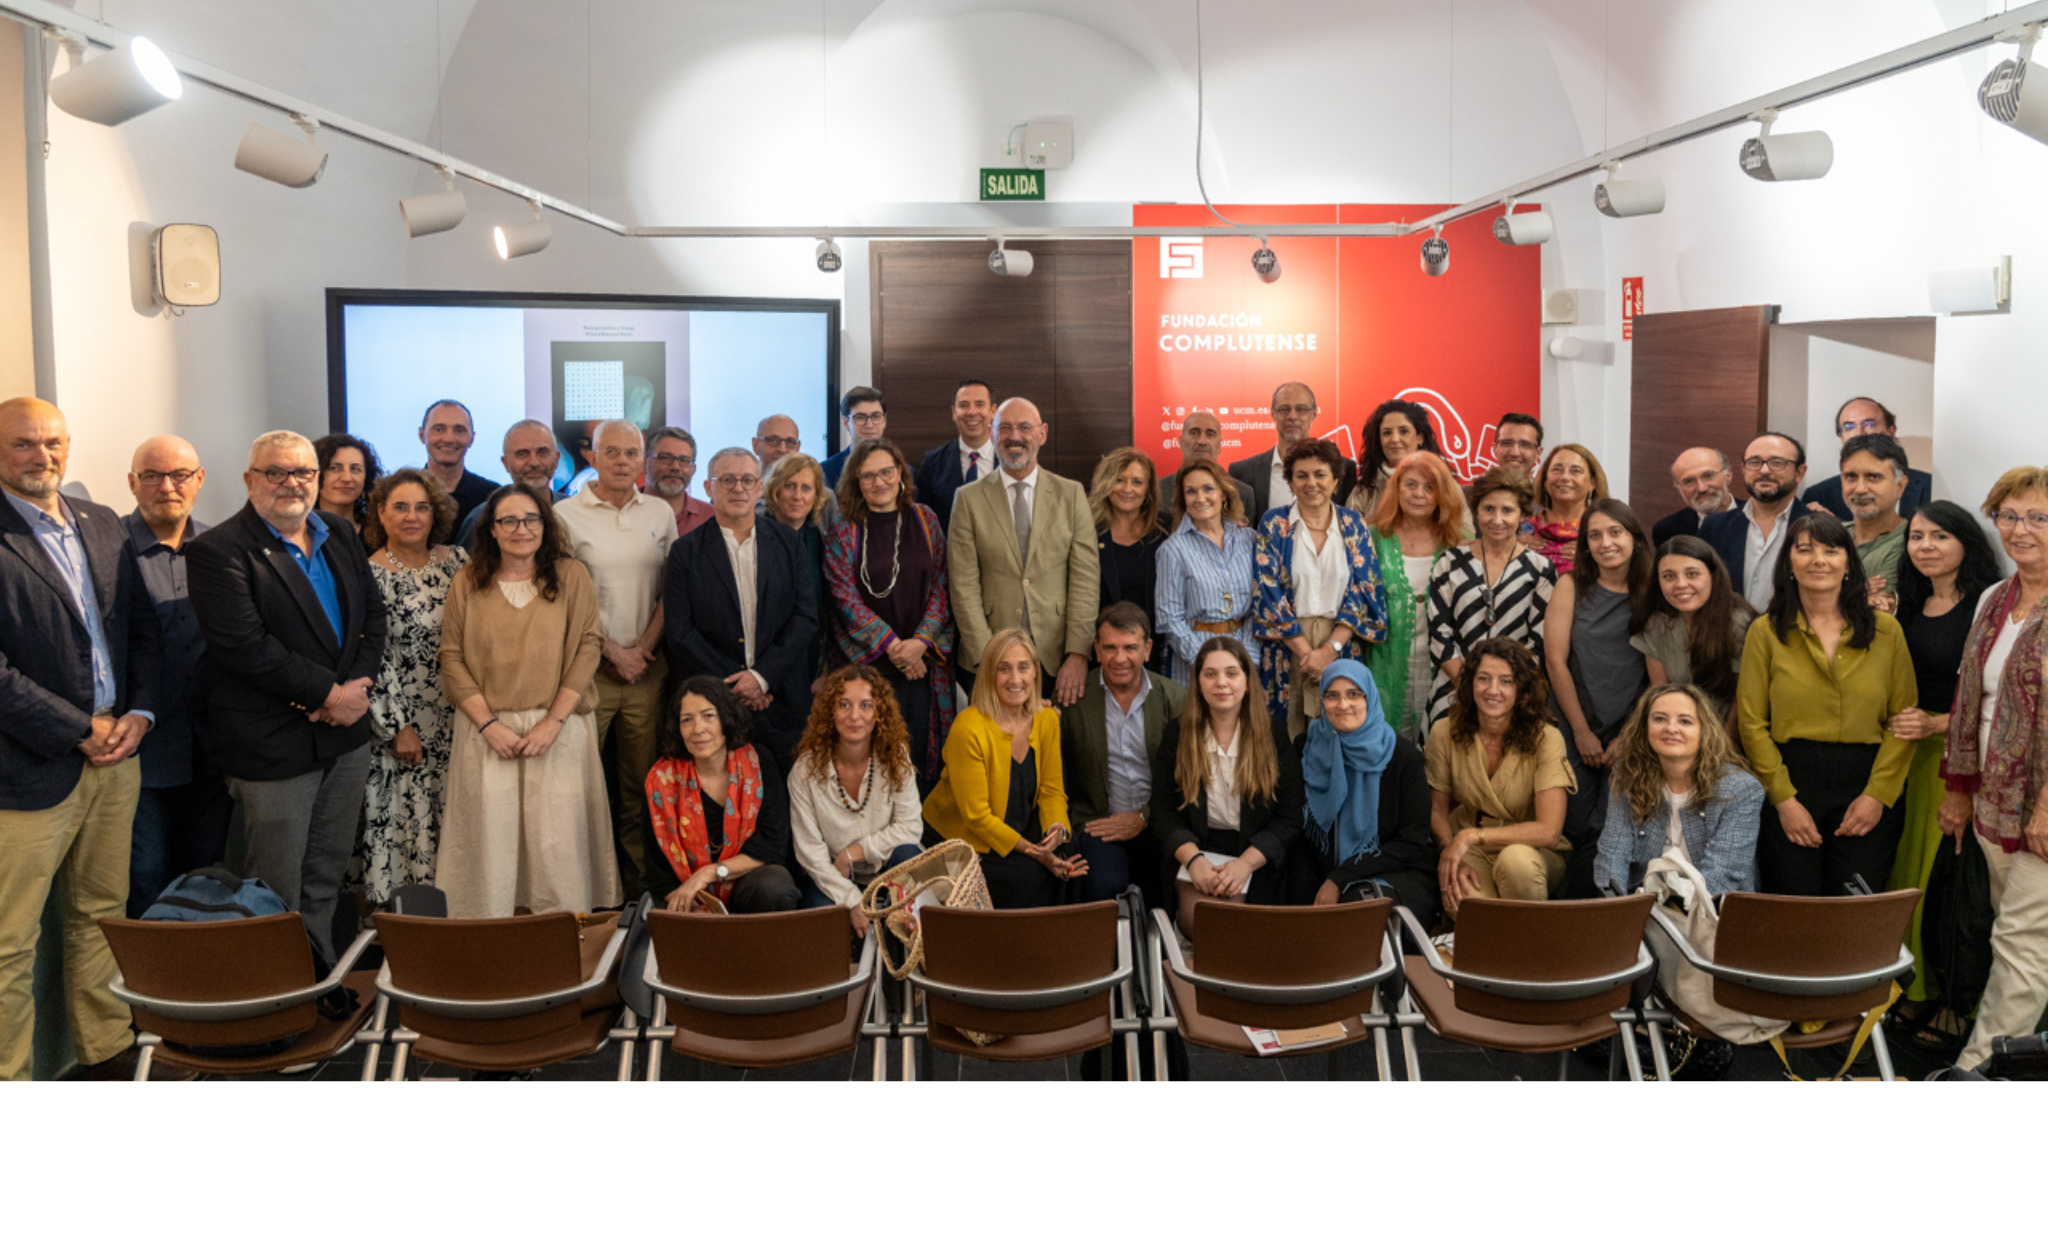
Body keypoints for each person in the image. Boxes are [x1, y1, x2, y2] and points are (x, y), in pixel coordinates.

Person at [0, 398, 161, 1081]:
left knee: (100, 915)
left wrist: (140, 714)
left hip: (116, 758)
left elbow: (142, 631)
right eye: (24, 445)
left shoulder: (99, 523)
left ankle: (104, 1052)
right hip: (27, 767)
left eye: (54, 442)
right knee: (9, 943)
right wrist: (77, 729)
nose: (43, 457)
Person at [188, 430, 385, 966]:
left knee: (324, 878)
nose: (290, 483)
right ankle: (276, 1002)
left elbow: (373, 618)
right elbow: (245, 647)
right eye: (276, 472)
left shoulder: (340, 532)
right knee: (274, 890)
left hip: (345, 739)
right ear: (250, 479)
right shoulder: (217, 551)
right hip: (272, 745)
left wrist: (354, 690)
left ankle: (317, 984)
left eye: (302, 472)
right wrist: (326, 695)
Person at [436, 485, 616, 918]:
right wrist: (487, 725)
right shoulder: (467, 581)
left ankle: (563, 949)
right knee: (491, 847)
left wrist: (552, 723)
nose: (522, 529)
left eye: (532, 519)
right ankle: (492, 954)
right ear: (491, 530)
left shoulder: (571, 575)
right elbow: (451, 656)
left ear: (545, 525)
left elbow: (588, 648)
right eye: (509, 521)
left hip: (558, 731)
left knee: (557, 851)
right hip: (487, 732)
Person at [1737, 513, 1916, 897]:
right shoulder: (1765, 632)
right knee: (1793, 903)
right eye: (1805, 550)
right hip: (1789, 778)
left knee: (1856, 909)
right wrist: (1784, 800)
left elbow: (1904, 721)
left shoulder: (1886, 631)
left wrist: (1876, 796)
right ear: (1788, 564)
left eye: (1831, 550)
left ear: (1849, 563)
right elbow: (1752, 723)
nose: (1819, 560)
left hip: (1867, 780)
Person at [1938, 468, 2048, 1071]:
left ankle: (1977, 1072)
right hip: (1992, 803)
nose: (2019, 529)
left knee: (2020, 944)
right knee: (2018, 936)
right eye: (2008, 515)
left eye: (2038, 517)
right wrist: (1959, 789)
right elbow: (1969, 701)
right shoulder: (1994, 598)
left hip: (2041, 807)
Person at [554, 420, 679, 900]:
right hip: (588, 675)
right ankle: (582, 896)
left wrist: (641, 650)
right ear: (592, 456)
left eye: (633, 453)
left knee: (638, 792)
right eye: (613, 452)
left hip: (646, 672)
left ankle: (636, 895)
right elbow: (565, 598)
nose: (624, 461)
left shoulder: (660, 513)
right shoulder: (565, 514)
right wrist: (612, 652)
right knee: (581, 790)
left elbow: (670, 591)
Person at [1884, 501, 2001, 1007]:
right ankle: (1899, 988)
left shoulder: (1987, 605)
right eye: (1916, 537)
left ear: (1966, 544)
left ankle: (1942, 995)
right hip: (1901, 756)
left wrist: (1938, 723)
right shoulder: (1905, 604)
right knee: (1897, 873)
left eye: (1939, 537)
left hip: (1952, 760)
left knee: (1938, 881)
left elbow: (1998, 700)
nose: (1925, 547)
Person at [122, 435, 231, 916]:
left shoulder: (221, 550)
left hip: (212, 748)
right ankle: (148, 989)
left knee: (203, 874)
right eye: (152, 475)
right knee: (143, 875)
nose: (167, 486)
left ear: (199, 480)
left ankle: (196, 985)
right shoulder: (109, 551)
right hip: (141, 750)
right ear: (133, 483)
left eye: (180, 475)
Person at [350, 469, 466, 908]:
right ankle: (407, 933)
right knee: (407, 829)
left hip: (460, 716)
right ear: (380, 512)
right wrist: (397, 726)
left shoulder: (458, 561)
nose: (412, 516)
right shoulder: (368, 575)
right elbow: (370, 657)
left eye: (422, 506)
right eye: (400, 506)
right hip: (403, 728)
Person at [663, 448, 819, 769]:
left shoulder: (789, 543)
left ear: (760, 488)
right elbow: (681, 632)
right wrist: (738, 685)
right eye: (728, 480)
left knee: (787, 795)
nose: (738, 488)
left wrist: (761, 678)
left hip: (781, 696)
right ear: (708, 488)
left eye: (747, 479)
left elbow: (805, 618)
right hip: (712, 703)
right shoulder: (684, 552)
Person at [946, 396, 1098, 705]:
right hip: (988, 656)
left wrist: (1078, 653)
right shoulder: (967, 498)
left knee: (1053, 748)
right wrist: (988, 658)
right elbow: (963, 585)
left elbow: (1085, 580)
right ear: (992, 434)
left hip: (1056, 659)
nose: (1015, 437)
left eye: (1025, 427)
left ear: (1042, 433)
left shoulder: (1071, 495)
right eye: (1005, 428)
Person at [824, 438, 955, 784]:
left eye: (886, 472)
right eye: (867, 476)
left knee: (919, 753)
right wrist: (896, 647)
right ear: (855, 481)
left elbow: (942, 583)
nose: (879, 482)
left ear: (900, 473)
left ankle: (918, 833)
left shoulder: (926, 520)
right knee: (871, 758)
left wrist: (921, 643)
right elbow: (843, 595)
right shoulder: (843, 529)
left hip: (922, 665)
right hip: (868, 668)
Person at [923, 629, 1083, 909]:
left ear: (1035, 672)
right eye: (1004, 669)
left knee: (1070, 855)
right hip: (965, 837)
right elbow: (977, 817)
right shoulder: (969, 727)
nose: (1015, 679)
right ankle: (1015, 950)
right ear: (988, 675)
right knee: (1028, 875)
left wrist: (1057, 830)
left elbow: (1051, 791)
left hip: (1016, 820)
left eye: (1024, 667)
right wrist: (1038, 853)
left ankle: (1059, 946)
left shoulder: (1046, 720)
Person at [1543, 498, 1652, 890]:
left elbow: (1658, 679)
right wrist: (1581, 731)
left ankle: (1590, 915)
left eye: (1615, 532)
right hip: (1574, 723)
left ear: (1635, 539)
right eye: (1595, 535)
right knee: (1573, 823)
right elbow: (1555, 662)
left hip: (1633, 728)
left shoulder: (1653, 592)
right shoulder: (1570, 585)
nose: (1605, 543)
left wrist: (1629, 736)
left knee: (1613, 825)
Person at [1153, 636, 1306, 910]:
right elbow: (1163, 811)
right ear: (1198, 683)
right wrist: (1194, 860)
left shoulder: (1273, 733)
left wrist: (1246, 863)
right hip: (1198, 847)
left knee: (1240, 927)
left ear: (1247, 682)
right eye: (1210, 674)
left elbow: (1290, 815)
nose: (1221, 683)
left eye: (1231, 673)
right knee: (1200, 919)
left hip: (1256, 850)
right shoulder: (1177, 734)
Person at [1427, 638, 1574, 912]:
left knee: (1515, 861)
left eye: (1506, 681)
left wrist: (1471, 836)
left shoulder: (1547, 738)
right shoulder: (1443, 731)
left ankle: (1531, 949)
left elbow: (1549, 831)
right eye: (1483, 678)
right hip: (1468, 851)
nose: (1493, 690)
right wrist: (1451, 851)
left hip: (1531, 851)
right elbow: (1437, 811)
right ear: (1470, 683)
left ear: (1523, 690)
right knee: (1473, 912)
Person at [1253, 439, 1386, 738]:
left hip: (1340, 642)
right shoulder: (1274, 524)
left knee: (1339, 729)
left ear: (1336, 480)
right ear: (1290, 481)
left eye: (1320, 474)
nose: (1311, 482)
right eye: (1301, 475)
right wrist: (1308, 654)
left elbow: (1364, 589)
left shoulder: (1354, 524)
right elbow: (1268, 592)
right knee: (1283, 736)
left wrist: (1329, 650)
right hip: (1287, 645)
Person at [1060, 603, 1186, 906]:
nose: (1119, 659)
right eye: (1110, 648)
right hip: (1098, 822)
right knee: (1104, 887)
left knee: (1164, 894)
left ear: (1148, 649)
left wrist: (1144, 815)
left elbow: (1189, 777)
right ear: (1096, 649)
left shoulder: (1175, 699)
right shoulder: (1073, 698)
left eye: (1130, 647)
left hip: (1159, 820)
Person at [644, 676, 802, 913]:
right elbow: (658, 873)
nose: (698, 729)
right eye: (687, 720)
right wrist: (695, 908)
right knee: (655, 911)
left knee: (774, 886)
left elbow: (772, 846)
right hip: (688, 891)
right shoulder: (660, 782)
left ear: (726, 719)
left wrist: (708, 873)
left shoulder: (758, 763)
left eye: (709, 716)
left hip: (744, 880)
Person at [1300, 661, 1439, 929]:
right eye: (1332, 695)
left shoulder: (1403, 757)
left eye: (1354, 694)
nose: (1343, 704)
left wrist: (1340, 878)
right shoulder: (1308, 748)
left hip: (1396, 870)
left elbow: (1412, 841)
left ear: (1370, 697)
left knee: (1361, 913)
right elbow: (1301, 830)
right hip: (1322, 868)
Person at [1594, 684, 1765, 897]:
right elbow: (1612, 855)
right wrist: (1616, 907)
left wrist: (1673, 907)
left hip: (1712, 911)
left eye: (1685, 721)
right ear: (1644, 727)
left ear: (1704, 729)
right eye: (1659, 719)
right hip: (1643, 905)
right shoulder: (1628, 777)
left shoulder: (1741, 789)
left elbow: (1724, 872)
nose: (1671, 728)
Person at [788, 665, 925, 916]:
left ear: (879, 713)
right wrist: (851, 900)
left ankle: (903, 952)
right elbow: (810, 853)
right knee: (822, 916)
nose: (854, 716)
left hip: (888, 867)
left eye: (865, 705)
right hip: (833, 875)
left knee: (909, 854)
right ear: (831, 711)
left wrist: (855, 852)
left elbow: (911, 828)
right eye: (844, 704)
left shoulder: (896, 757)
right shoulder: (805, 769)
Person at [1428, 465, 1554, 732]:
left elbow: (1538, 641)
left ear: (1522, 515)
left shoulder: (1540, 569)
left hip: (1513, 696)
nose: (1497, 519)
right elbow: (1439, 633)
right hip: (1452, 691)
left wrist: (1500, 690)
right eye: (1489, 509)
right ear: (1476, 512)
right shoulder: (1450, 561)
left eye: (1507, 510)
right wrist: (1470, 688)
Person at [1365, 451, 1464, 743]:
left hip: (1443, 667)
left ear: (1441, 494)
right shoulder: (1372, 537)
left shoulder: (1460, 541)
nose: (1419, 494)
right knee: (1387, 748)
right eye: (1410, 485)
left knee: (1438, 747)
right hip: (1383, 664)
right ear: (1396, 490)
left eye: (1429, 487)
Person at [1632, 535, 1756, 723]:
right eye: (1669, 576)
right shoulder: (1656, 624)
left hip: (1728, 732)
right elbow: (1659, 693)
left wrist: (1722, 749)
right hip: (1676, 729)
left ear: (1712, 576)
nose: (1681, 584)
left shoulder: (1740, 623)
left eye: (1692, 574)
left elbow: (1743, 702)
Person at [1159, 457, 1259, 685]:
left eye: (1208, 489)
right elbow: (1169, 620)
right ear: (1183, 499)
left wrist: (1247, 660)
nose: (1200, 498)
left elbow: (1259, 606)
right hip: (1194, 660)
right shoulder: (1172, 550)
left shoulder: (1249, 539)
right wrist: (1207, 664)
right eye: (1191, 491)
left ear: (1224, 493)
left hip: (1245, 656)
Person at [1699, 431, 1813, 612]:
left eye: (1777, 462)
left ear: (1799, 473)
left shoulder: (1819, 528)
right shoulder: (1715, 527)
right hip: (1729, 637)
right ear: (1744, 470)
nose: (1764, 470)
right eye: (1754, 462)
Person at [1229, 380, 1358, 524]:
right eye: (1284, 409)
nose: (1292, 416)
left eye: (1301, 409)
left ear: (1314, 414)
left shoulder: (1344, 469)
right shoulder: (1242, 472)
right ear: (1273, 414)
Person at [1090, 448, 1169, 675]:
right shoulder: (1087, 529)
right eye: (1120, 480)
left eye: (1137, 482)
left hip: (1154, 653)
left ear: (1148, 489)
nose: (1127, 489)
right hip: (1102, 654)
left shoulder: (1166, 529)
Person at [1803, 397, 1934, 520]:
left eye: (1869, 424)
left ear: (1891, 431)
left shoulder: (1931, 486)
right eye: (1849, 427)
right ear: (1841, 437)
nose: (1859, 433)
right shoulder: (1820, 496)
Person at [455, 419, 564, 547]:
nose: (534, 462)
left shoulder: (576, 512)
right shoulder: (481, 518)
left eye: (542, 453)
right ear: (506, 463)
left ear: (556, 459)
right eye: (522, 454)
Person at [1838, 432, 1912, 612]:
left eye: (1873, 477)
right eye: (1851, 477)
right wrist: (1857, 593)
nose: (1860, 488)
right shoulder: (1829, 535)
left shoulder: (1911, 541)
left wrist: (1836, 590)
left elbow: (1877, 611)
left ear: (1900, 486)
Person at [915, 379, 998, 533]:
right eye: (964, 405)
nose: (972, 412)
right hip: (950, 554)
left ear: (992, 411)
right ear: (954, 412)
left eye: (980, 404)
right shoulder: (933, 463)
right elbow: (925, 523)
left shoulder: (1010, 461)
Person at [1347, 399, 1445, 520]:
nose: (1394, 439)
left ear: (1420, 437)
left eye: (1403, 431)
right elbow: (1349, 535)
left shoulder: (1444, 483)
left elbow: (1463, 532)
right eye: (1387, 433)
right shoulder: (1363, 492)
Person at [1159, 409, 1253, 525]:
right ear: (1181, 442)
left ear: (1219, 445)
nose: (1202, 441)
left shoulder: (1243, 493)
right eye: (1194, 433)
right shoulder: (1158, 490)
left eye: (1210, 434)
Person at [1526, 443, 1607, 576]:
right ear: (1545, 481)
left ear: (1592, 483)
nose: (1564, 477)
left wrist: (1595, 557)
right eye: (1557, 469)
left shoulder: (1606, 530)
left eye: (1576, 471)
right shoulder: (1524, 529)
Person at [418, 399, 500, 525]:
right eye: (439, 429)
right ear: (422, 435)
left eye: (459, 430)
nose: (449, 439)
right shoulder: (400, 494)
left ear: (471, 439)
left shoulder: (492, 497)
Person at [1651, 447, 1736, 545]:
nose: (1701, 488)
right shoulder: (1667, 531)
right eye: (1689, 481)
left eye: (1708, 476)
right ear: (1680, 489)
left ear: (1728, 476)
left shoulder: (1754, 517)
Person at [645, 426, 715, 537]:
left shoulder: (712, 518)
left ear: (693, 469)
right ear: (644, 462)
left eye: (684, 460)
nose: (675, 467)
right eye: (665, 458)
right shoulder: (622, 511)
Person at [312, 433, 382, 534]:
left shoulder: (379, 533)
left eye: (355, 469)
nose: (346, 478)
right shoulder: (301, 532)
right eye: (334, 468)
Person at [821, 387, 887, 490]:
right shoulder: (825, 472)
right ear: (846, 422)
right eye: (860, 417)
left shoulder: (905, 471)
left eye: (876, 416)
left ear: (884, 421)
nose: (869, 425)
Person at [1490, 413, 1544, 483]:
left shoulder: (1548, 494)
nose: (1515, 453)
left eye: (1525, 445)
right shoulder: (1474, 493)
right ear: (1495, 449)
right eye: (1507, 443)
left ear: (1538, 453)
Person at [752, 413, 801, 479]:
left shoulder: (807, 485)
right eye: (773, 440)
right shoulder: (741, 487)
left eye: (790, 442)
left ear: (798, 448)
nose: (782, 449)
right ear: (756, 445)